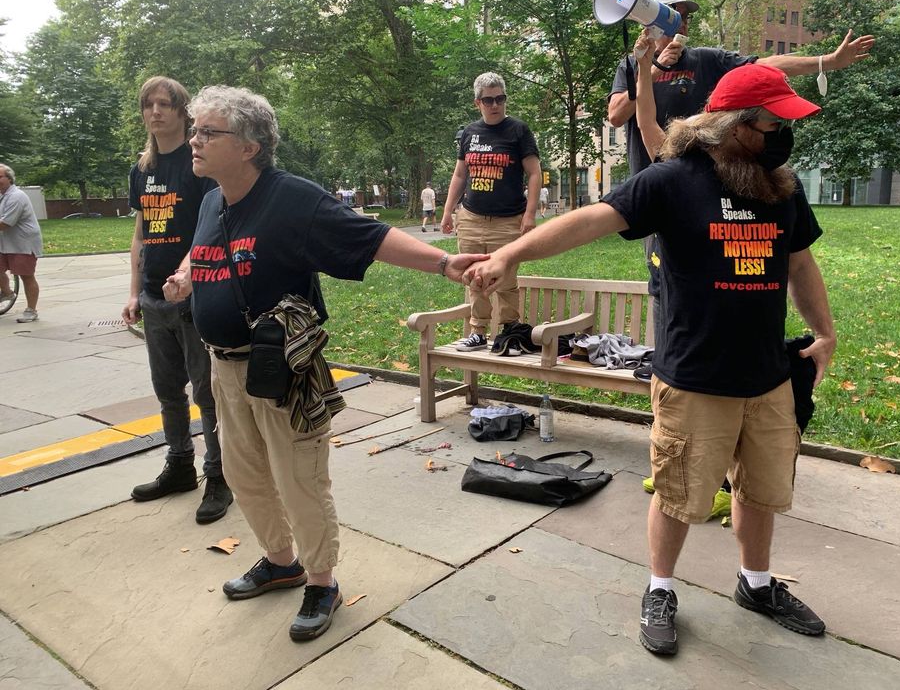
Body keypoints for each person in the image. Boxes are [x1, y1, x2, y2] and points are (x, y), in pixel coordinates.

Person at [464, 63, 836, 656]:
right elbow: (590, 219)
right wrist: (511, 254)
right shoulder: (673, 180)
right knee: (678, 494)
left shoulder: (780, 187)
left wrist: (825, 332)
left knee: (760, 491)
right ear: (736, 126)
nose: (783, 137)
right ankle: (660, 588)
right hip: (694, 378)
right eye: (774, 125)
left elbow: (800, 263)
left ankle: (757, 583)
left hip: (767, 377)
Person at [162, 85, 486, 643]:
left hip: (284, 370)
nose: (194, 140)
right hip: (225, 369)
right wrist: (188, 275)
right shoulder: (214, 199)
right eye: (195, 130)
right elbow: (206, 246)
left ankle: (321, 581)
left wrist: (444, 263)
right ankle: (280, 561)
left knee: (299, 479)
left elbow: (371, 237)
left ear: (249, 146)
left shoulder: (293, 199)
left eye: (207, 132)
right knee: (244, 474)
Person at [609, 0, 871, 379]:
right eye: (670, 15)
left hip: (757, 369)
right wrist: (648, 69)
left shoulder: (709, 62)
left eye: (684, 16)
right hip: (669, 201)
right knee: (669, 285)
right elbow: (631, 118)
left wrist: (825, 62)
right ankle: (672, 368)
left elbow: (764, 68)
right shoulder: (669, 162)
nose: (681, 23)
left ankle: (735, 370)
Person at [122, 77, 232, 524]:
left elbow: (211, 225)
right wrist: (134, 291)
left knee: (207, 393)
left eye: (164, 104)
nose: (155, 111)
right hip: (154, 297)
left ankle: (219, 475)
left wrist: (186, 274)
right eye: (148, 104)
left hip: (194, 294)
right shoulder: (142, 168)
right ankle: (181, 466)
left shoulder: (198, 163)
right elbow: (141, 233)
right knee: (168, 391)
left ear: (182, 111)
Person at [440, 72, 542, 352]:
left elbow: (534, 173)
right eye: (488, 100)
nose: (495, 104)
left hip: (508, 220)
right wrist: (448, 211)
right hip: (471, 218)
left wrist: (530, 215)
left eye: (500, 98)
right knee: (473, 276)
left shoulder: (518, 130)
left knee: (506, 278)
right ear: (478, 103)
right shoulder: (470, 133)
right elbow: (460, 175)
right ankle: (477, 331)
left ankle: (510, 330)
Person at [0, 164, 43, 323]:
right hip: (6, 242)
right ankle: (7, 293)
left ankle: (31, 310)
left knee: (26, 276)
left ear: (9, 179)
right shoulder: (2, 196)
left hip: (23, 243)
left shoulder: (17, 196)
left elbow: (6, 223)